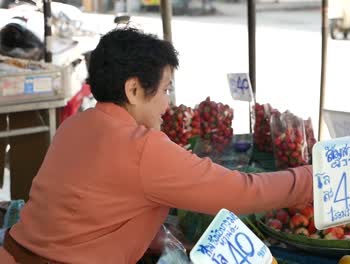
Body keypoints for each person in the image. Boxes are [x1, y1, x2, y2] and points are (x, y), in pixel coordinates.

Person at [0, 28, 313, 263]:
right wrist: (314, 178)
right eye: (165, 89)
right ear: (134, 89)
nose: (168, 103)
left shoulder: (76, 125)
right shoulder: (142, 147)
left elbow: (94, 211)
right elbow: (243, 191)